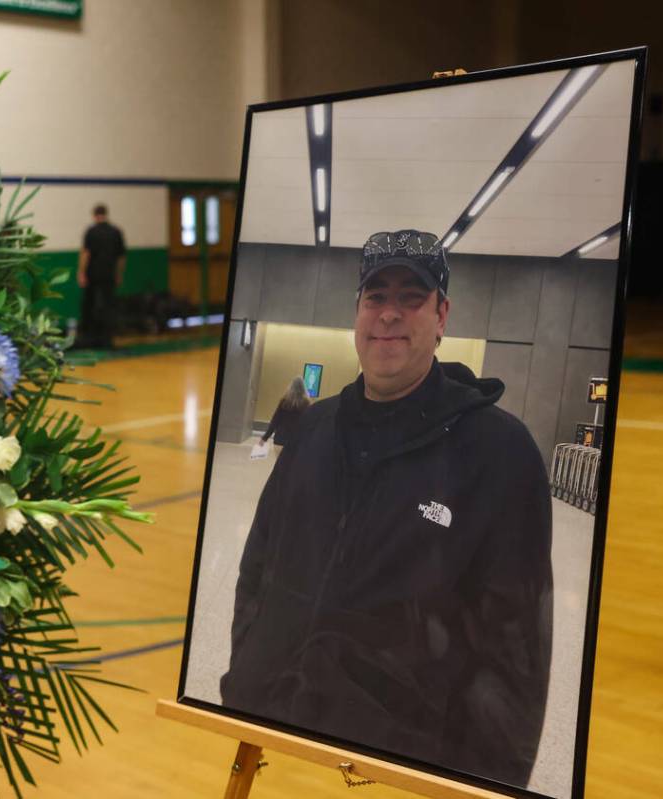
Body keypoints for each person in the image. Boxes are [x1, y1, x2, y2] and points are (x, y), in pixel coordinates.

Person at [220, 230, 553, 788]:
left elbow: (515, 644)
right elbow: (258, 566)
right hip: (277, 729)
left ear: (442, 315)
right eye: (376, 297)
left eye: (411, 297)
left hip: (401, 764)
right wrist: (245, 676)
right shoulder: (315, 430)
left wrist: (488, 781)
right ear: (357, 312)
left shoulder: (499, 453)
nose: (389, 314)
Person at [76, 203, 126, 348]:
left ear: (94, 215)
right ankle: (107, 339)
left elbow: (86, 254)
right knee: (108, 306)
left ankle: (90, 338)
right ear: (106, 214)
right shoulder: (116, 232)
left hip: (93, 275)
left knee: (90, 306)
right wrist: (118, 274)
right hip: (109, 275)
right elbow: (121, 257)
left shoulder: (91, 231)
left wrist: (81, 272)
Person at [261, 377, 311, 448]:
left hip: (280, 439)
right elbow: (308, 423)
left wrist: (265, 438)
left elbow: (275, 420)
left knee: (280, 459)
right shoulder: (306, 403)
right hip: (297, 440)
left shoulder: (284, 401)